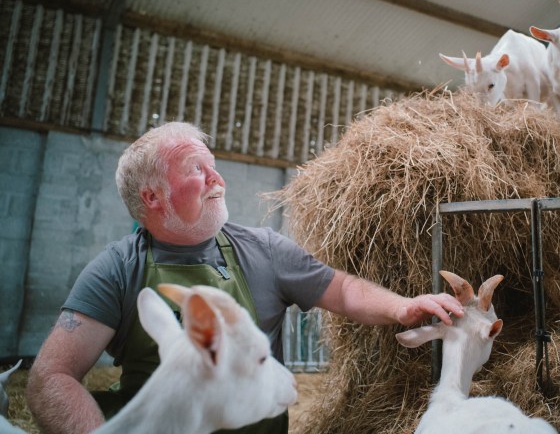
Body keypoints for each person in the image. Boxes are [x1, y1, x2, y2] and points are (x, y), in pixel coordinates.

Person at [26, 122, 464, 434]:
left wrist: (401, 307)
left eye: (212, 165)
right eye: (197, 169)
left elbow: (343, 289)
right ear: (152, 197)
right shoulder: (118, 269)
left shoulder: (264, 249)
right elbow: (51, 377)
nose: (218, 179)